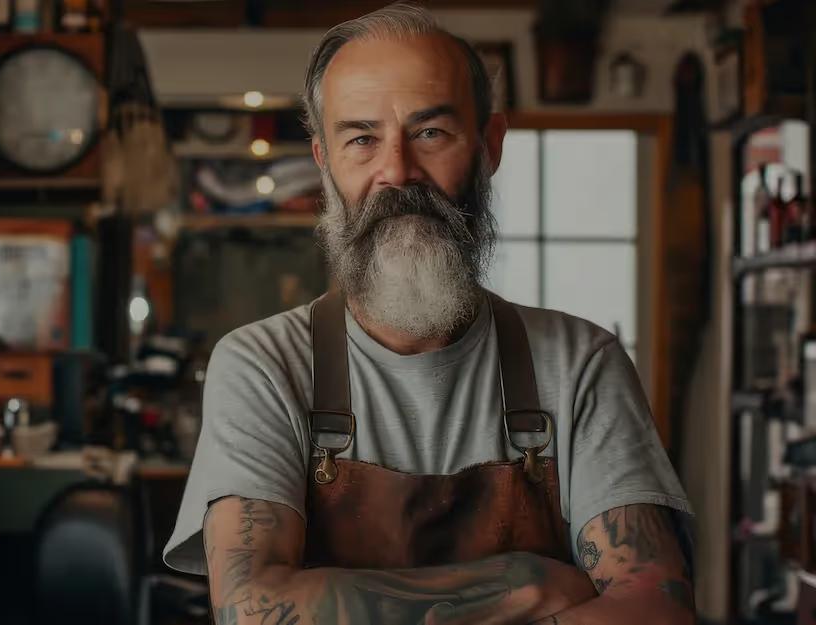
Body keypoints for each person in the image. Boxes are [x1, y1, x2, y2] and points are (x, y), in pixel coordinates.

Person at [162, 2, 696, 623]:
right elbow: (253, 612)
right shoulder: (263, 365)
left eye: (430, 133)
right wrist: (524, 583)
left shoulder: (579, 364)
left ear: (488, 146)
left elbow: (657, 608)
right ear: (324, 160)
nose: (396, 171)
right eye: (361, 139)